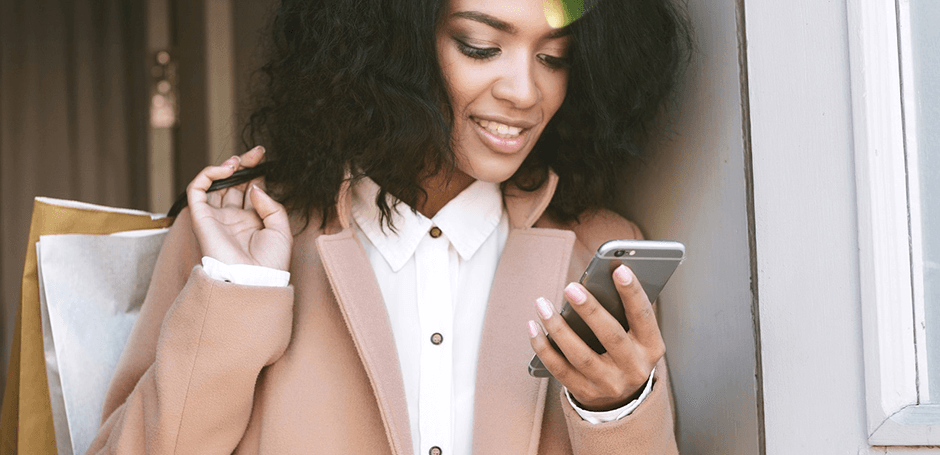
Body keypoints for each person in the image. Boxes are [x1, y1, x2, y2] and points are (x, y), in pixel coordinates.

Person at [89, 0, 689, 453]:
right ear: (391, 47)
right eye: (480, 47)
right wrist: (237, 300)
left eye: (554, 57)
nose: (524, 91)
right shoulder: (238, 232)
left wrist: (615, 412)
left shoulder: (598, 252)